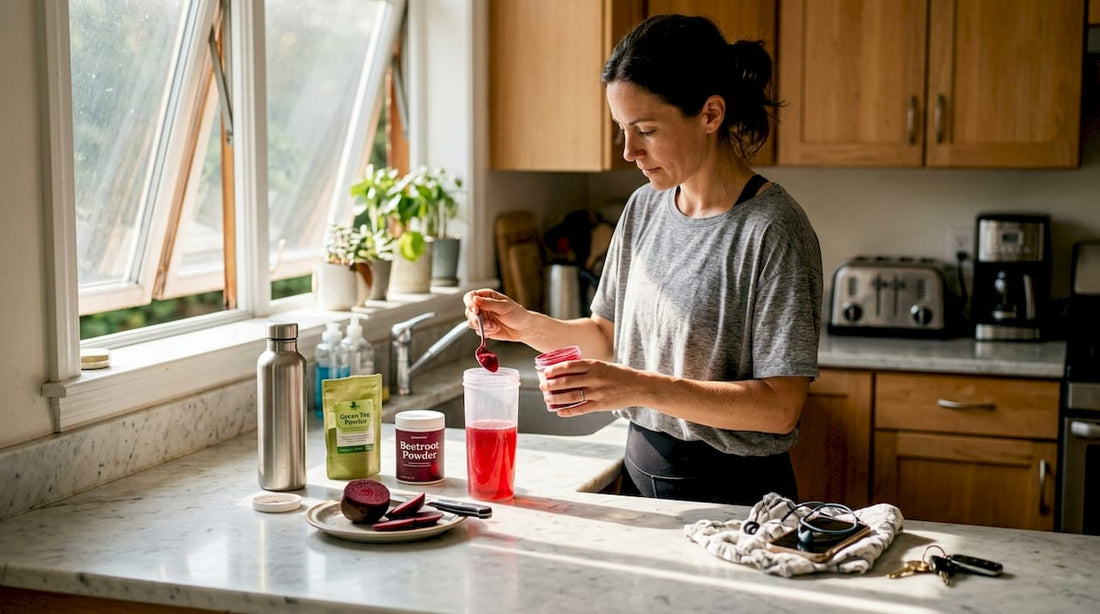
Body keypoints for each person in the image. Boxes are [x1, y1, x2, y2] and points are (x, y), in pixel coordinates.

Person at [464, 14, 822, 506]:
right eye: (621, 130)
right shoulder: (644, 207)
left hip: (736, 496)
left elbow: (780, 408)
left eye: (646, 129)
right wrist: (524, 325)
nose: (630, 151)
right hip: (640, 480)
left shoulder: (771, 229)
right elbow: (608, 338)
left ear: (711, 114)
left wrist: (638, 386)